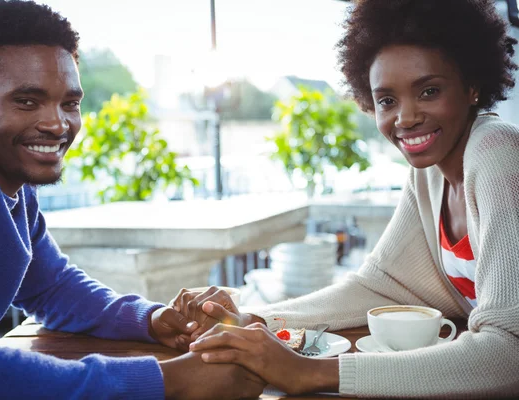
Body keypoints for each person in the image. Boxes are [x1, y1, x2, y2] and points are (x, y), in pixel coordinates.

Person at [172, 0, 519, 397]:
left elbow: (510, 351)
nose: (405, 118)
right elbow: (377, 286)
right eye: (387, 100)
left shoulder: (497, 152)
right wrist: (251, 320)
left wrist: (313, 372)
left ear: (473, 86)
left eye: (429, 91)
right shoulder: (429, 176)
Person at [0, 1, 265, 399]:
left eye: (69, 103)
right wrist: (171, 380)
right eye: (27, 101)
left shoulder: (5, 178)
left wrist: (150, 319)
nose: (56, 124)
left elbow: (52, 288)